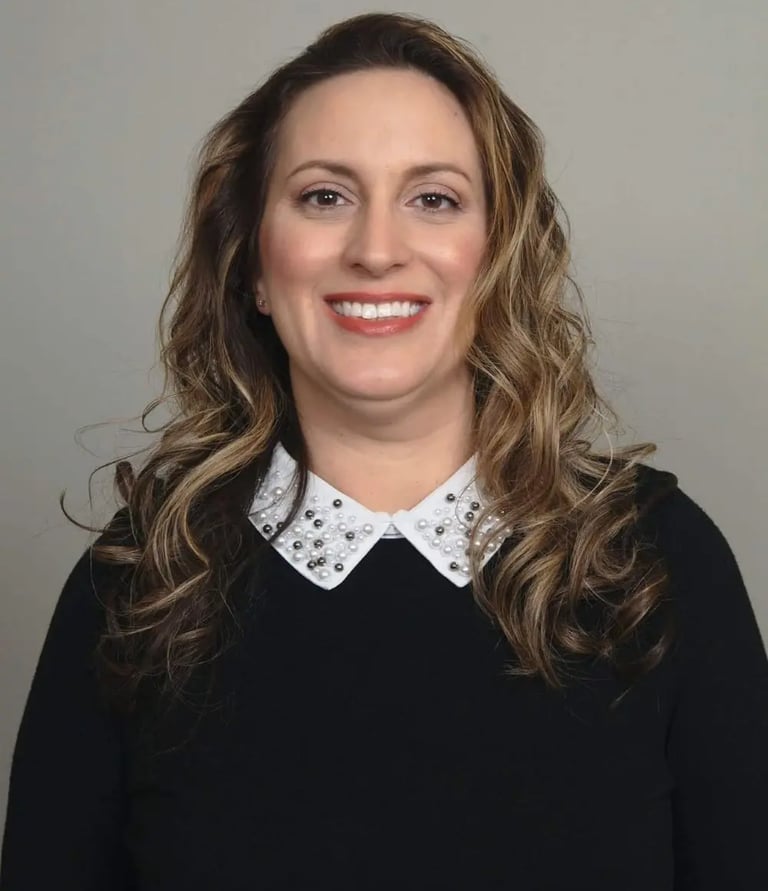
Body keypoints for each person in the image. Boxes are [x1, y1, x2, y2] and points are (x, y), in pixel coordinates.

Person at [2, 11, 767, 891]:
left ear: (498, 258)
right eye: (324, 196)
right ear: (252, 259)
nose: (375, 250)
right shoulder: (137, 584)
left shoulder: (657, 563)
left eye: (433, 198)